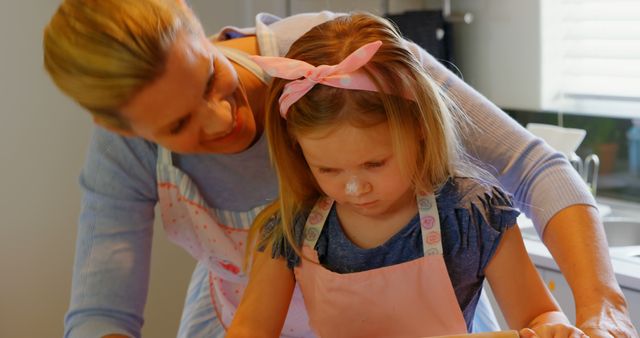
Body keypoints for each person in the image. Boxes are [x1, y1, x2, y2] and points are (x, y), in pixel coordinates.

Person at [42, 1, 636, 337]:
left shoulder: (339, 57)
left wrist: (600, 309)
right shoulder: (278, 238)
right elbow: (103, 314)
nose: (222, 117)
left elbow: (532, 167)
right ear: (120, 129)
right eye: (178, 126)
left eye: (210, 77)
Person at [227, 13, 586, 338]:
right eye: (328, 170)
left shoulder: (469, 216)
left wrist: (551, 330)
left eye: (375, 164)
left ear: (420, 128)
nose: (355, 187)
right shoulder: (294, 229)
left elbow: (539, 314)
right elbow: (248, 331)